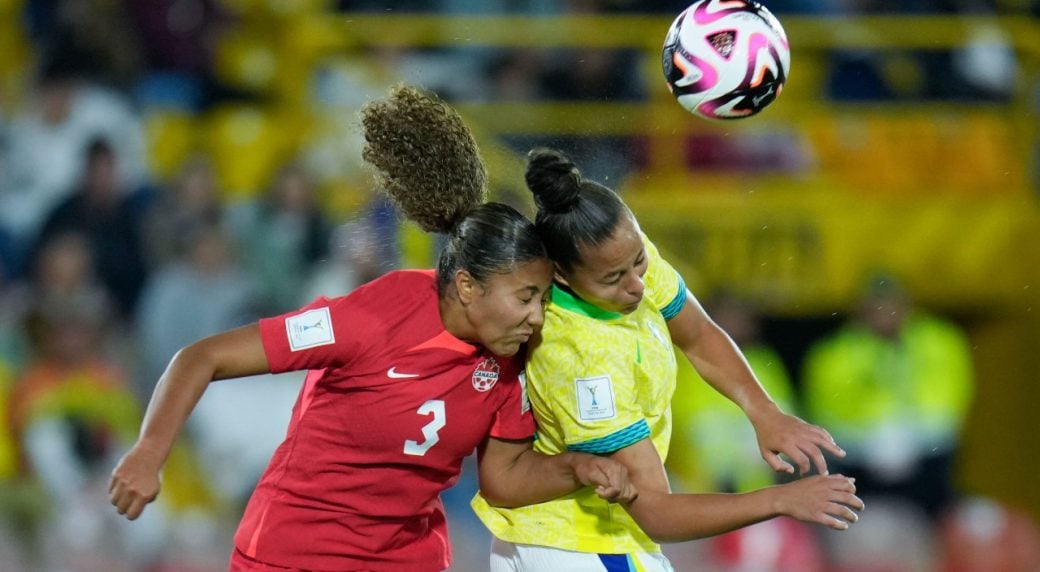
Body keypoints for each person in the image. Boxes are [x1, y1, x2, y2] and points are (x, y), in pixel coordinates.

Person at [108, 86, 634, 572]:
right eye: (526, 298)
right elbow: (202, 357)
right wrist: (149, 453)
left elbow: (502, 480)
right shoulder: (370, 318)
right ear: (469, 286)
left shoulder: (511, 355)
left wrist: (576, 469)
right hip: (292, 554)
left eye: (541, 300)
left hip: (407, 560)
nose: (537, 317)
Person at [472, 148, 863, 571]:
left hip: (574, 540)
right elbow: (655, 510)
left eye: (639, 261)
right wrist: (780, 499)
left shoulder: (620, 258)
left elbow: (697, 334)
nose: (637, 285)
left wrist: (763, 411)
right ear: (562, 276)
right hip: (583, 547)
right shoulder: (580, 357)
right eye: (614, 279)